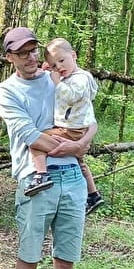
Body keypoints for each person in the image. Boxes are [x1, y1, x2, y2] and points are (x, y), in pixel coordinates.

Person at [0, 27, 96, 269]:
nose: (31, 57)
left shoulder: (60, 79)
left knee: (65, 260)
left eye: (34, 50)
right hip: (35, 179)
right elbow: (29, 136)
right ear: (10, 57)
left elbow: (87, 116)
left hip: (72, 179)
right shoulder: (6, 92)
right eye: (22, 53)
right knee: (28, 258)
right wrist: (75, 145)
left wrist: (82, 144)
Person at [25, 39, 104, 214]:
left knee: (35, 141)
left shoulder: (80, 79)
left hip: (71, 129)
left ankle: (41, 174)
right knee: (80, 161)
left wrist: (57, 82)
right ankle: (93, 195)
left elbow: (71, 97)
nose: (59, 67)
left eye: (62, 61)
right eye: (54, 65)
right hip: (77, 128)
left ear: (74, 55)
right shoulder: (72, 77)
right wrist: (48, 70)